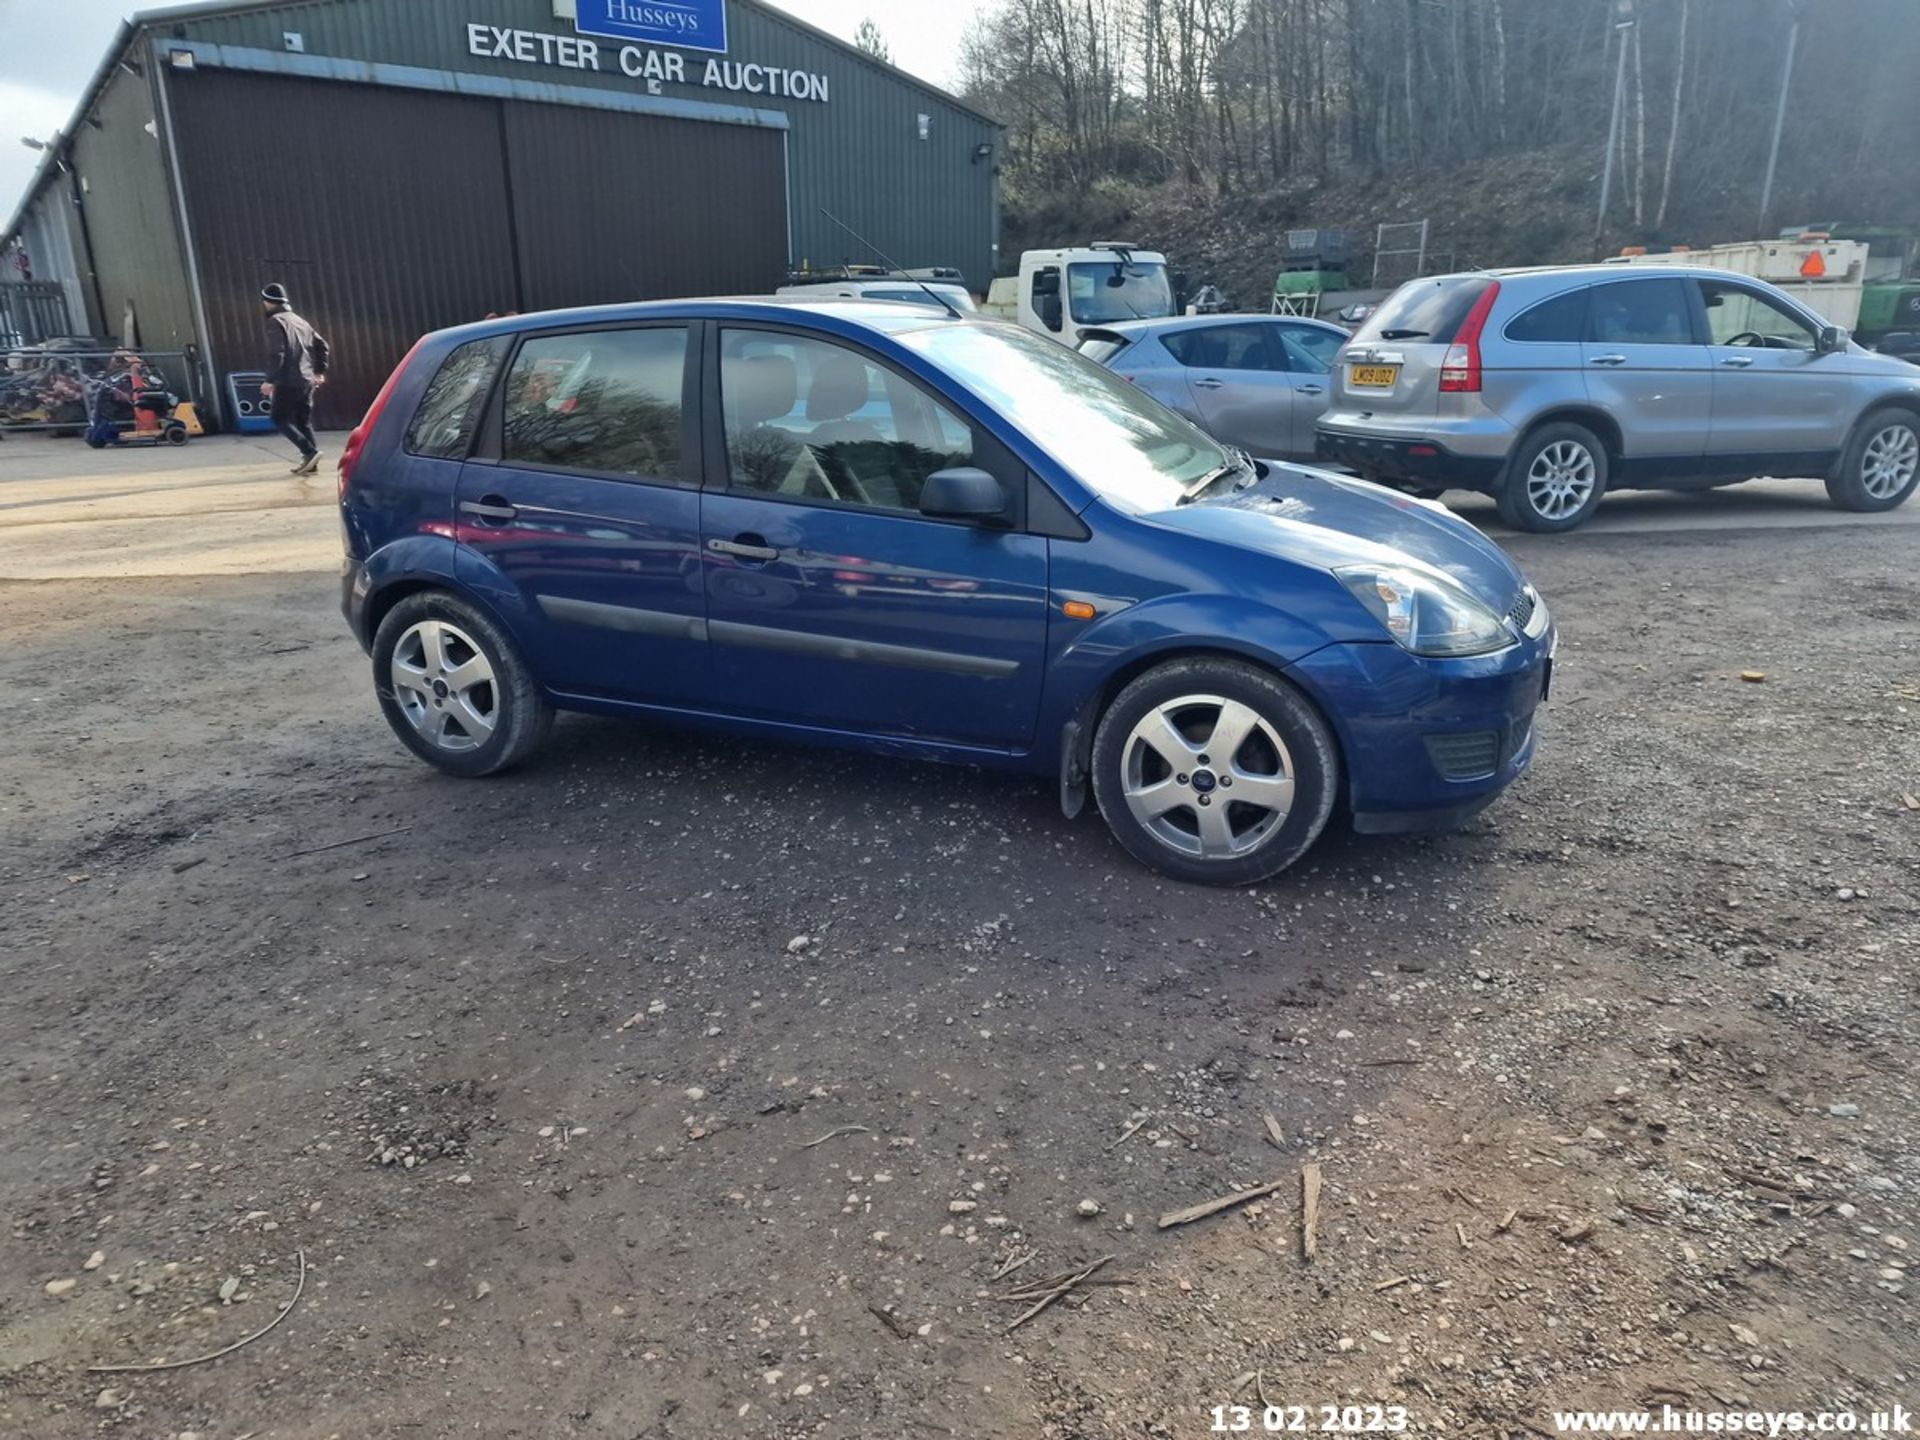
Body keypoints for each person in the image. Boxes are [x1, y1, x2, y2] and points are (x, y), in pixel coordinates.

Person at [258, 283, 330, 475]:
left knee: (278, 418)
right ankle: (311, 463)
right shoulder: (300, 321)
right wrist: (319, 371)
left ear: (267, 302)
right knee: (302, 421)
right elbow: (322, 345)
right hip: (307, 381)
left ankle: (308, 451)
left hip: (288, 380)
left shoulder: (276, 321)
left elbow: (277, 353)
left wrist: (270, 380)